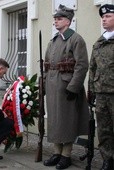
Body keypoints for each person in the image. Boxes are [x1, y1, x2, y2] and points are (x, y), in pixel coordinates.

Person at [43, 4, 89, 169]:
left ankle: (66, 155)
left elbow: (82, 65)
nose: (56, 21)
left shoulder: (76, 39)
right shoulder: (53, 41)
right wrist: (43, 85)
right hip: (51, 84)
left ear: (68, 21)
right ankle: (56, 152)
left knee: (67, 120)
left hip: (66, 86)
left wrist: (73, 87)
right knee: (55, 120)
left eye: (59, 18)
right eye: (55, 18)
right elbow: (46, 65)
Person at [88, 4, 114, 170]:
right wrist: (91, 90)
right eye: (103, 17)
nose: (104, 19)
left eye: (108, 16)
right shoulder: (99, 42)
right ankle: (108, 159)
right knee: (104, 130)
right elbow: (92, 67)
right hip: (101, 92)